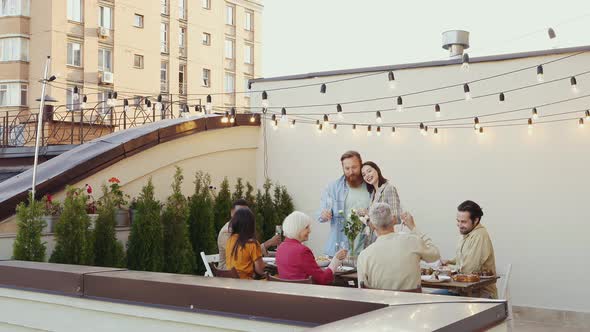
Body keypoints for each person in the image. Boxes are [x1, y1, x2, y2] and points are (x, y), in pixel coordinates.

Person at [357, 203, 440, 291]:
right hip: (412, 303)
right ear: (394, 220)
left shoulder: (364, 256)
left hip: (381, 303)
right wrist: (413, 227)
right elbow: (435, 255)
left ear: (372, 225)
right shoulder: (413, 242)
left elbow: (362, 292)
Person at [318, 151, 371, 256]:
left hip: (365, 249)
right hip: (338, 249)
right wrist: (324, 215)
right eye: (347, 168)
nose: (351, 172)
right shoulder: (333, 187)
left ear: (361, 164)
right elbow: (321, 213)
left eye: (354, 167)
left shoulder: (371, 187)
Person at [443, 200, 498, 299]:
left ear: (476, 220)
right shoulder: (467, 233)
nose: (459, 225)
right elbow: (464, 257)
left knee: (431, 299)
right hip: (463, 290)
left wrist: (448, 270)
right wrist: (449, 261)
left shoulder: (480, 235)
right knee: (431, 298)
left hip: (480, 293)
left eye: (463, 222)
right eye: (458, 221)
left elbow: (469, 269)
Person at [276, 211, 347, 285]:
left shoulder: (281, 247)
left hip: (286, 293)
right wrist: (336, 261)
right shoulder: (302, 251)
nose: (309, 231)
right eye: (306, 227)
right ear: (297, 229)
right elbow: (323, 279)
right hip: (305, 294)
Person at [217, 199, 281, 269]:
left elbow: (251, 252)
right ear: (232, 213)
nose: (244, 216)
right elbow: (241, 254)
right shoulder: (226, 232)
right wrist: (268, 243)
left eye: (246, 213)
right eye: (240, 212)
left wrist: (279, 253)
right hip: (228, 274)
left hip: (243, 270)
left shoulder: (243, 229)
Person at [355, 161, 402, 251]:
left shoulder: (389, 188)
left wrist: (368, 214)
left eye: (369, 171)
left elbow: (396, 218)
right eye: (364, 174)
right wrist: (363, 216)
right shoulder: (373, 193)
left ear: (377, 170)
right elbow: (373, 219)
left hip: (384, 241)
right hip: (371, 242)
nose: (367, 175)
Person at [226, 208, 266, 279]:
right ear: (251, 224)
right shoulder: (252, 243)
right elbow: (260, 270)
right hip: (246, 285)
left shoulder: (229, 240)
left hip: (231, 283)